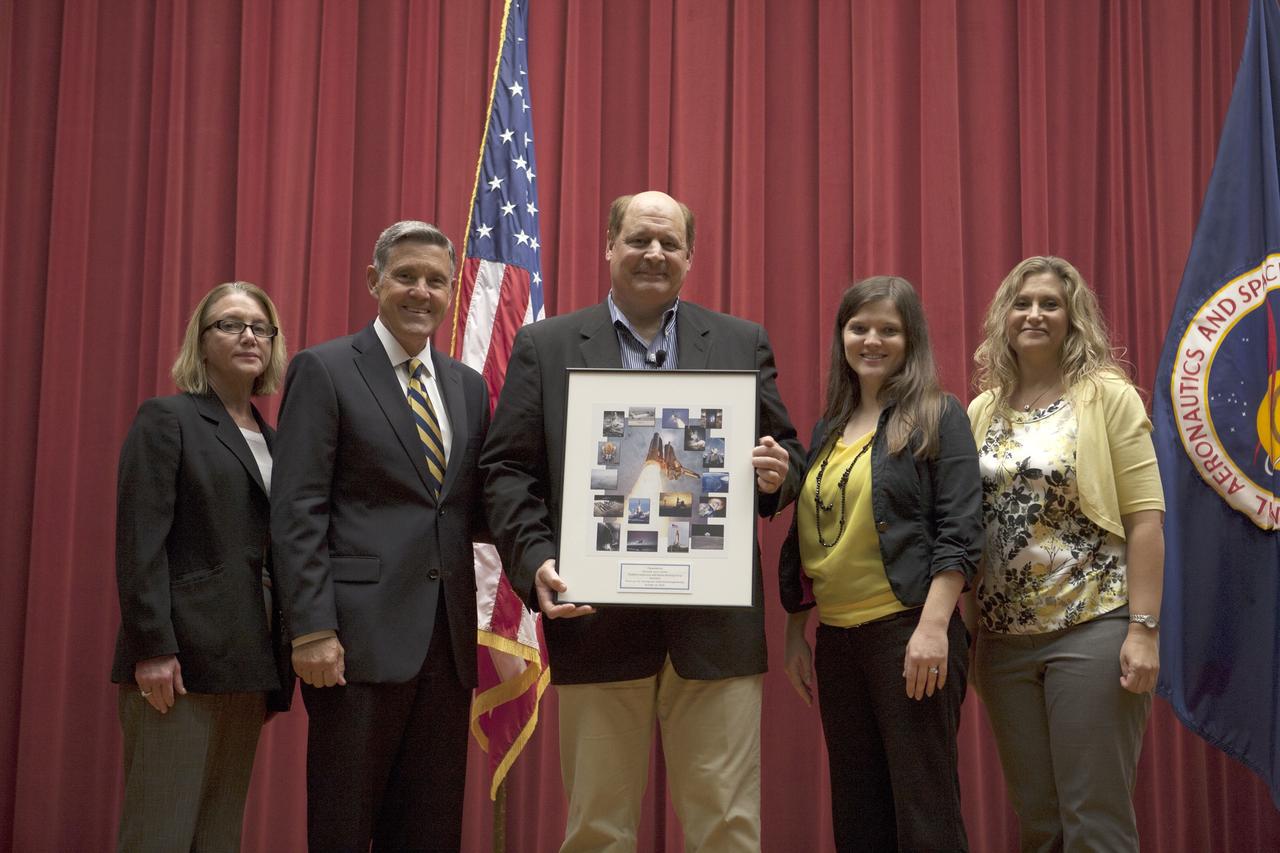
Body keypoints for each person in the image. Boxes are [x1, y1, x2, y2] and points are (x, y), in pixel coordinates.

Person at [481, 190, 803, 851]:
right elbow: (507, 470)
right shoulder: (547, 345)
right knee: (597, 828)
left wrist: (779, 472)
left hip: (714, 632)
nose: (653, 252)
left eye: (668, 242)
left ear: (689, 255)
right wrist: (536, 558)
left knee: (727, 826)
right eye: (638, 239)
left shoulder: (741, 341)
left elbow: (787, 453)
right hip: (596, 619)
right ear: (609, 247)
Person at [270, 221, 491, 851]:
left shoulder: (467, 387)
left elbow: (470, 508)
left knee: (429, 830)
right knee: (344, 825)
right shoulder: (325, 369)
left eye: (436, 280)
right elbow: (298, 509)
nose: (421, 291)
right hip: (354, 645)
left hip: (444, 650)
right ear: (375, 282)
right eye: (406, 276)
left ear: (452, 290)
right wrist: (312, 628)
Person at [967, 255, 1165, 852]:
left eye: (1050, 304)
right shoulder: (982, 409)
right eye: (1023, 304)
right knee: (1040, 823)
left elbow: (1145, 519)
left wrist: (1144, 630)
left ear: (1073, 317)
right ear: (1005, 317)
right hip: (1002, 643)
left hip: (1092, 628)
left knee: (1094, 820)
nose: (1035, 314)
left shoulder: (1107, 396)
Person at [778, 276, 983, 851]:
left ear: (910, 338)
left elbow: (961, 531)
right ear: (842, 335)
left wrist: (934, 628)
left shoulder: (941, 416)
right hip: (838, 644)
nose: (872, 340)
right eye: (859, 327)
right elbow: (810, 536)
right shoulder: (828, 429)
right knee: (859, 814)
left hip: (910, 634)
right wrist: (798, 630)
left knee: (925, 814)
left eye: (888, 329)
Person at [112, 281, 292, 852]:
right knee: (160, 834)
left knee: (217, 838)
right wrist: (153, 648)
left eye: (260, 327)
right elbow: (141, 545)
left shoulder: (278, 441)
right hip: (180, 661)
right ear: (202, 339)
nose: (248, 336)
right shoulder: (167, 420)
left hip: (250, 661)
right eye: (230, 324)